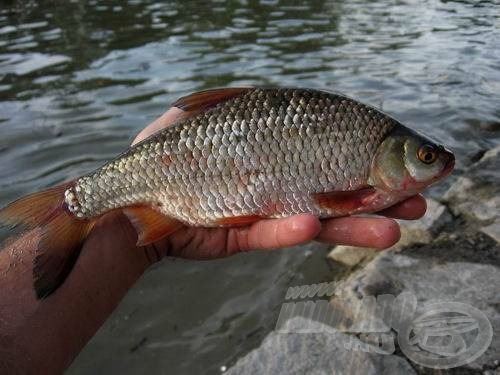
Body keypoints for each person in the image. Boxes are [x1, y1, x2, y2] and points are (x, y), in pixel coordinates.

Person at [0, 107, 427, 374]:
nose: (432, 164)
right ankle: (74, 209)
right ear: (390, 153)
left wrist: (152, 237)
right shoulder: (365, 171)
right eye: (424, 158)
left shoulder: (363, 135)